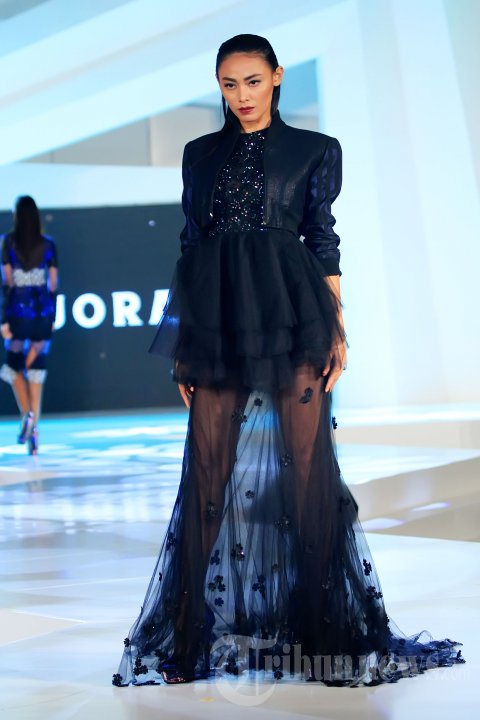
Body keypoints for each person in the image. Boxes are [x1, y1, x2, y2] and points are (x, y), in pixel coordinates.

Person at [114, 34, 463, 687]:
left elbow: (323, 241)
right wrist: (183, 345)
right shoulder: (199, 154)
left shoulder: (315, 150)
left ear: (276, 77)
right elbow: (191, 248)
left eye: (252, 80)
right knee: (206, 476)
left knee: (308, 474)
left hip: (294, 315)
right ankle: (186, 639)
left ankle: (327, 634)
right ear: (219, 87)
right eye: (229, 84)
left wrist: (337, 330)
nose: (241, 95)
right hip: (219, 320)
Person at [0, 195, 58, 455]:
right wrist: (52, 316)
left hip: (18, 313)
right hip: (43, 313)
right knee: (36, 371)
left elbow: (7, 283)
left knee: (13, 368)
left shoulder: (7, 242)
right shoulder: (48, 244)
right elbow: (53, 284)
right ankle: (35, 431)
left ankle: (27, 415)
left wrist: (3, 319)